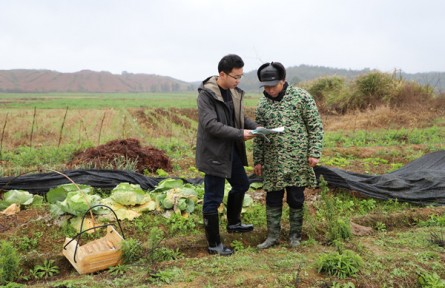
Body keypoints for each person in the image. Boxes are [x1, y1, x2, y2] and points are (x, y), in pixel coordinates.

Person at [253, 62, 324, 249]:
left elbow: (315, 127)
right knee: (273, 197)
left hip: (297, 159)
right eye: (265, 87)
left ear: (283, 81)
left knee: (296, 197)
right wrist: (258, 160)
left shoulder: (301, 98)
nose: (269, 90)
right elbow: (259, 135)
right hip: (273, 161)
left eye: (273, 86)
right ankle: (273, 236)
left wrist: (314, 152)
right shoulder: (262, 105)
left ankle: (295, 236)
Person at [196, 54, 258, 256]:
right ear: (222, 74)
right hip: (214, 153)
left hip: (230, 151)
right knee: (212, 198)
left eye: (241, 77)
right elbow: (211, 125)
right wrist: (240, 134)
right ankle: (214, 244)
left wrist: (257, 128)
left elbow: (239, 117)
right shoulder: (207, 95)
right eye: (235, 77)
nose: (238, 81)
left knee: (241, 184)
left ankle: (234, 223)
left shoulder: (232, 92)